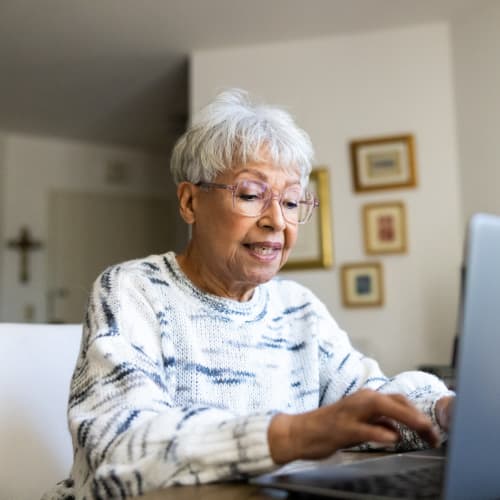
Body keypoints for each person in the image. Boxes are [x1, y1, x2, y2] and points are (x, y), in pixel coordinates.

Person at [44, 89, 454, 499]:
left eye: (292, 201)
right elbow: (120, 447)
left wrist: (443, 410)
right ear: (190, 202)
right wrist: (290, 434)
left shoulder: (298, 308)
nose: (276, 221)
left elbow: (370, 401)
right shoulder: (133, 290)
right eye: (251, 195)